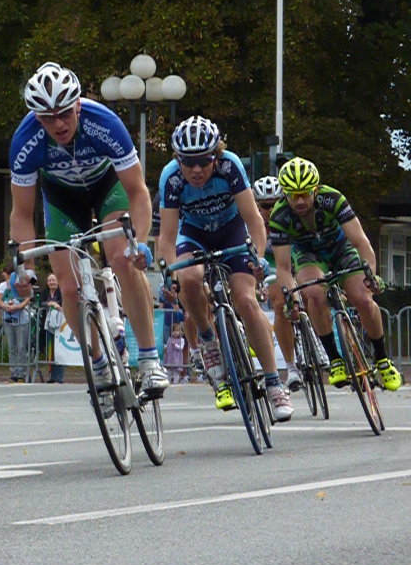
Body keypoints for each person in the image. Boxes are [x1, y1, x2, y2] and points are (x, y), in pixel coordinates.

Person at [8, 62, 170, 401]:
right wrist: (24, 269)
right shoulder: (25, 141)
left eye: (65, 113)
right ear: (37, 117)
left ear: (78, 105)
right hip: (62, 200)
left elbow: (139, 193)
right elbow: (22, 214)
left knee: (122, 260)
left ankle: (150, 359)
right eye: (47, 118)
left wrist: (137, 243)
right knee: (68, 287)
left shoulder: (105, 124)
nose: (58, 124)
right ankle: (97, 363)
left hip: (107, 189)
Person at [158, 116, 293, 421]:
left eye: (203, 161)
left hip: (232, 230)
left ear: (216, 156)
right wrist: (172, 274)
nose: (196, 170)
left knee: (245, 300)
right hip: (192, 234)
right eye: (188, 162)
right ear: (178, 160)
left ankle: (273, 384)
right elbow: (166, 238)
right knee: (189, 277)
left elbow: (255, 220)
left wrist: (258, 258)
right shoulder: (171, 178)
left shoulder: (230, 166)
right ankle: (208, 341)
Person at [270, 157, 402, 391]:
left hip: (341, 249)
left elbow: (361, 242)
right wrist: (293, 297)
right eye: (293, 195)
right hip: (309, 256)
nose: (299, 200)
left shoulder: (333, 199)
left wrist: (371, 275)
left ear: (316, 190)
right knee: (312, 292)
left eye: (305, 194)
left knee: (362, 297)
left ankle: (382, 359)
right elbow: (282, 267)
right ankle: (335, 359)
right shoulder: (280, 216)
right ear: (285, 194)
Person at [251, 175, 302, 392]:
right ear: (256, 205)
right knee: (280, 302)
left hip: (295, 255)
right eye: (265, 206)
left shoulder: (291, 216)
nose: (270, 210)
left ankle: (314, 336)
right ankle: (291, 368)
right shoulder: (252, 222)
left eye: (275, 204)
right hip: (271, 261)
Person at [0, 267, 34, 382]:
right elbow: (0, 299)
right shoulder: (4, 286)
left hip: (22, 320)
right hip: (8, 319)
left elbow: (28, 298)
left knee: (21, 347)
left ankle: (22, 373)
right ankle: (13, 373)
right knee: (12, 347)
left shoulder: (24, 285)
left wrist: (19, 306)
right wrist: (6, 306)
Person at [39, 273, 65, 382]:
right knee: (51, 350)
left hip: (60, 323)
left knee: (59, 351)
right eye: (49, 280)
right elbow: (41, 303)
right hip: (48, 323)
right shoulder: (45, 292)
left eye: (53, 280)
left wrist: (56, 304)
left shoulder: (61, 292)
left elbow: (62, 303)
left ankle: (59, 376)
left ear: (57, 282)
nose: (51, 282)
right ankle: (52, 376)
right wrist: (51, 304)